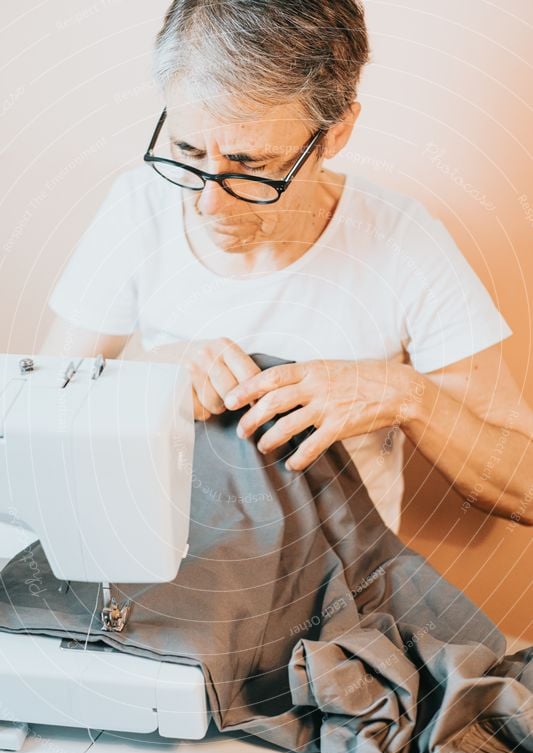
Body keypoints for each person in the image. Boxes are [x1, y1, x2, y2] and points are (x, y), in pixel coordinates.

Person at [41, 0, 533, 535]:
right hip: (161, 570)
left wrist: (405, 395)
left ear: (336, 133)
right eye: (187, 150)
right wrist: (151, 381)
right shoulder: (138, 205)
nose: (208, 204)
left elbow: (526, 489)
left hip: (333, 596)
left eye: (252, 166)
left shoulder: (402, 239)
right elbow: (40, 413)